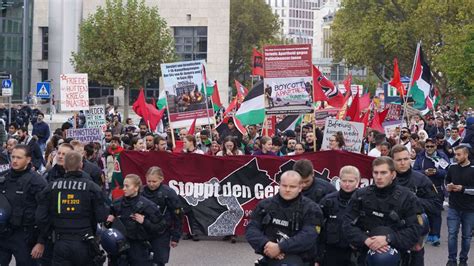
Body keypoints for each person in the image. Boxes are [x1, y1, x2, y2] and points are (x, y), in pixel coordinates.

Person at [342, 156, 424, 265]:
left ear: (393, 174)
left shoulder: (408, 198)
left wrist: (389, 239)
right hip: (365, 253)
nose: (379, 177)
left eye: (383, 173)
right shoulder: (360, 196)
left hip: (397, 254)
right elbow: (347, 224)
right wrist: (365, 240)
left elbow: (416, 229)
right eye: (376, 173)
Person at [35, 151, 109, 266]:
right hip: (85, 241)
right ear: (81, 165)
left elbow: (40, 217)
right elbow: (102, 216)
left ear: (64, 166)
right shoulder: (92, 187)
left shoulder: (52, 187)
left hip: (60, 242)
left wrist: (49, 232)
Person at [246, 170, 323, 265]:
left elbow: (309, 236)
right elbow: (251, 229)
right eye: (284, 185)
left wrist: (280, 247)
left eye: (292, 186)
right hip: (269, 256)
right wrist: (265, 244)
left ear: (300, 187)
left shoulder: (312, 208)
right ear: (279, 185)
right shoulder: (265, 205)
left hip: (301, 259)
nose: (287, 189)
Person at [391, 144, 442, 264]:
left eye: (405, 159)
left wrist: (414, 201)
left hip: (415, 232)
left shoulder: (421, 179)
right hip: (392, 233)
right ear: (392, 160)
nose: (403, 163)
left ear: (410, 158)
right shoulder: (386, 179)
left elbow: (436, 205)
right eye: (399, 160)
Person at [0, 144, 47, 265]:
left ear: (28, 159)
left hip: (25, 237)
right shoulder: (3, 178)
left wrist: (41, 242)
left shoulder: (37, 182)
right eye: (13, 157)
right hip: (3, 234)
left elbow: (45, 213)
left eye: (19, 158)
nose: (14, 160)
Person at [106, 174, 165, 265]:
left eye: (127, 186)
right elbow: (108, 227)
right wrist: (109, 222)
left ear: (136, 188)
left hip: (138, 248)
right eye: (123, 185)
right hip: (119, 247)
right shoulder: (116, 204)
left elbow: (160, 228)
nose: (124, 189)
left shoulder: (148, 206)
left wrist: (144, 222)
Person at [319, 165, 360, 266]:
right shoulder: (328, 200)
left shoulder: (364, 201)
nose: (347, 184)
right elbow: (318, 225)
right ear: (339, 180)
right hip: (332, 250)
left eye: (351, 181)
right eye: (344, 180)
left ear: (358, 181)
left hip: (356, 251)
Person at [142, 167, 183, 266]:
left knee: (158, 261)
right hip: (143, 231)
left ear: (161, 179)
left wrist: (175, 237)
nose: (151, 184)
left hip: (162, 232)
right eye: (149, 181)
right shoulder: (141, 191)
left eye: (154, 181)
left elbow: (178, 216)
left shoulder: (169, 193)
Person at [413, 138, 450, 246]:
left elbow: (447, 172)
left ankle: (436, 236)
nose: (429, 148)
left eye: (431, 146)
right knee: (424, 212)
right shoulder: (420, 156)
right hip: (422, 190)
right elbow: (414, 171)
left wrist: (436, 172)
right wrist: (424, 172)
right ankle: (427, 233)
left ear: (435, 146)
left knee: (436, 213)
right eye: (427, 146)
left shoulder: (441, 156)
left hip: (437, 188)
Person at [445, 145, 474, 266]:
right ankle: (451, 260)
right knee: (452, 235)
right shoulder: (452, 167)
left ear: (466, 155)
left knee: (466, 236)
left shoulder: (473, 169)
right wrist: (448, 186)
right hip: (453, 207)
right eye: (455, 154)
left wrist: (463, 189)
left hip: (469, 209)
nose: (456, 157)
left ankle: (463, 260)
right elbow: (446, 181)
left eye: (459, 154)